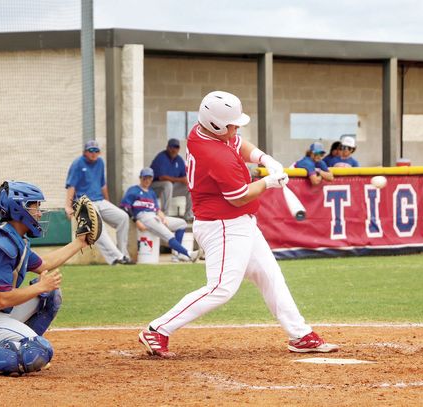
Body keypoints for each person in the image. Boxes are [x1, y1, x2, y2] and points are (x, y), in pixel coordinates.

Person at [138, 90, 339, 358]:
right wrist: (268, 182)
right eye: (231, 125)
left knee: (270, 275)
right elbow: (238, 197)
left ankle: (300, 335)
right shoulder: (213, 154)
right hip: (223, 224)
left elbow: (239, 143)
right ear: (216, 124)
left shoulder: (203, 132)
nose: (236, 129)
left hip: (239, 223)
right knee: (222, 288)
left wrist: (264, 159)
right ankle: (158, 329)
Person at [0, 181, 89, 377]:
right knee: (39, 351)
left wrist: (80, 241)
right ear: (18, 208)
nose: (39, 213)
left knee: (50, 294)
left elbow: (44, 263)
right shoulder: (2, 243)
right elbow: (1, 300)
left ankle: (15, 351)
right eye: (34, 206)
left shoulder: (14, 238)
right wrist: (39, 287)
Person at [64, 140, 132, 265]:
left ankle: (123, 254)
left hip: (100, 200)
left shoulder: (100, 162)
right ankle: (118, 257)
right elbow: (71, 186)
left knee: (123, 217)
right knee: (98, 225)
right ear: (85, 152)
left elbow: (103, 185)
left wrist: (107, 202)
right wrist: (68, 207)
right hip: (84, 202)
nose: (93, 153)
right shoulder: (77, 163)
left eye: (96, 151)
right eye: (91, 150)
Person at [120, 167, 200, 263]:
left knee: (182, 223)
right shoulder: (133, 190)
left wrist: (162, 216)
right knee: (168, 235)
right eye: (145, 177)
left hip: (155, 216)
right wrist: (136, 221)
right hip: (144, 216)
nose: (147, 180)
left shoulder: (151, 193)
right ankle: (189, 254)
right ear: (140, 178)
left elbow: (157, 209)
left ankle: (176, 255)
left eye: (149, 178)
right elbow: (125, 207)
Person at [150, 138, 194, 221]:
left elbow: (184, 177)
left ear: (179, 149)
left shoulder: (179, 160)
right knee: (167, 184)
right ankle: (164, 214)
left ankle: (188, 215)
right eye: (171, 147)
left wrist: (186, 181)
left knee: (190, 187)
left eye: (176, 147)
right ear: (167, 147)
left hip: (169, 190)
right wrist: (181, 180)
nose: (173, 149)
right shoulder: (161, 157)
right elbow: (161, 177)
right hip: (154, 189)